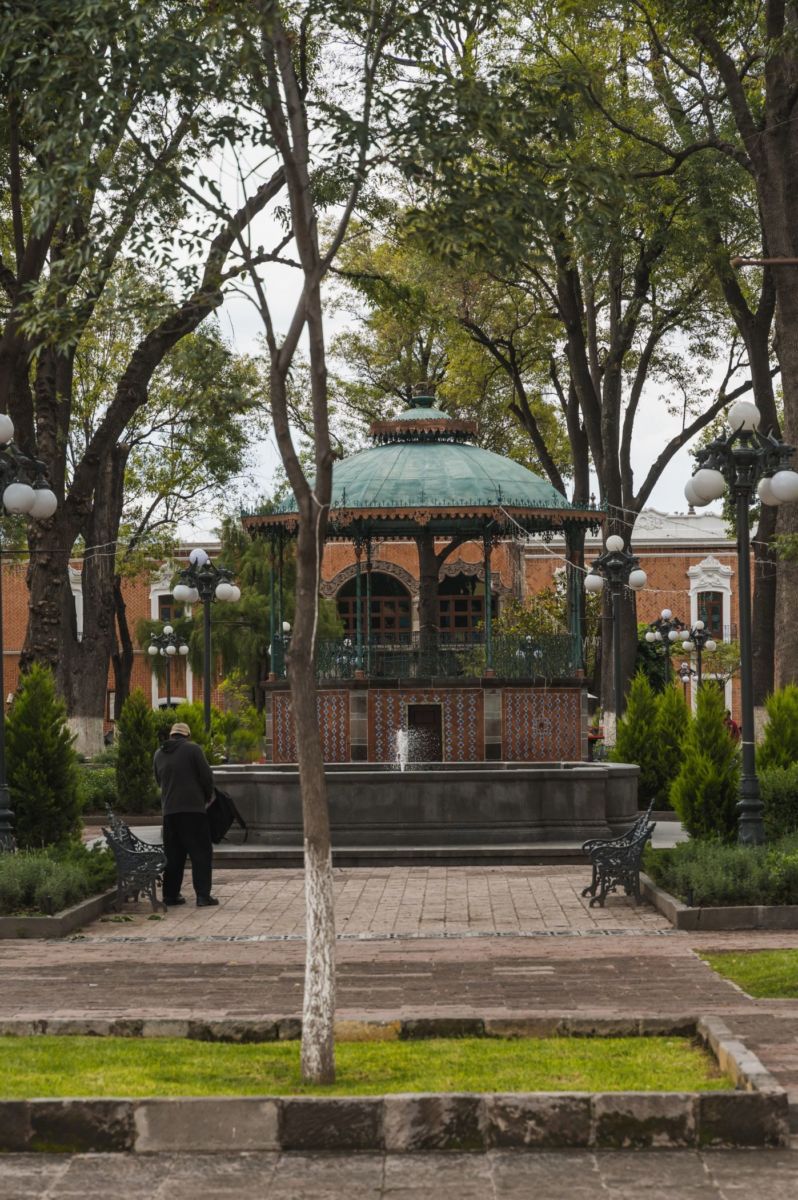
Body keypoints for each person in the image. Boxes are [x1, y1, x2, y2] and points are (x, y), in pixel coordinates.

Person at [153, 721, 218, 907]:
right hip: (193, 811)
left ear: (172, 735)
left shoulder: (158, 754)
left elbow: (158, 780)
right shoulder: (193, 750)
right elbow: (206, 777)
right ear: (187, 735)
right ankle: (203, 896)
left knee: (173, 855)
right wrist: (206, 797)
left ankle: (170, 896)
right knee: (201, 854)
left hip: (170, 812)